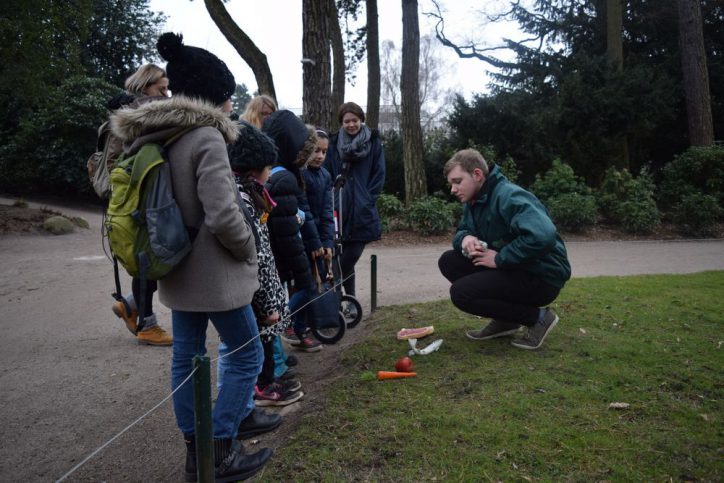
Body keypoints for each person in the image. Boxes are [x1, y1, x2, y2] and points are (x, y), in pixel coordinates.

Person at [112, 32, 272, 481]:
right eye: (225, 95)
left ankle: (194, 451)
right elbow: (224, 215)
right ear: (213, 97)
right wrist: (247, 248)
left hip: (174, 266)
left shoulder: (154, 134)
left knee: (186, 356)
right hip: (217, 275)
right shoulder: (206, 138)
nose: (229, 105)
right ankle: (220, 450)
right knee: (246, 356)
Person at [438, 149, 571, 350]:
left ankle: (539, 318)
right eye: (451, 184)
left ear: (477, 174)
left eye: (457, 181)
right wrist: (465, 238)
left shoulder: (509, 196)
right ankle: (506, 320)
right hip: (516, 268)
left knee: (461, 294)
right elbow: (463, 229)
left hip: (542, 277)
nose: (453, 190)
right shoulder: (475, 199)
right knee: (449, 261)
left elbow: (543, 235)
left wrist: (500, 258)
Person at [223, 121, 304, 407]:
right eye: (268, 167)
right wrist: (269, 303)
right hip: (258, 295)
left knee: (264, 344)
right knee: (255, 349)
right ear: (255, 167)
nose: (271, 172)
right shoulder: (244, 199)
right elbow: (258, 256)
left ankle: (267, 381)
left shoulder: (254, 195)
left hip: (264, 293)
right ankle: (261, 389)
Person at [106, 64, 172, 346]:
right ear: (146, 85)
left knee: (151, 257)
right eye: (162, 86)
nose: (166, 91)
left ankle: (131, 305)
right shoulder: (139, 115)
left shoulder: (131, 113)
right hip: (138, 197)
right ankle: (146, 324)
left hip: (134, 196)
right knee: (147, 258)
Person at [263, 110, 324, 352]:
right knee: (302, 291)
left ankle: (283, 350)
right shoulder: (285, 179)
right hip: (284, 256)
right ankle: (279, 355)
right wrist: (302, 271)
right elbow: (286, 232)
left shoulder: (281, 175)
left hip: (282, 254)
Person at [323, 101, 386, 296]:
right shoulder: (333, 143)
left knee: (348, 258)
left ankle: (332, 297)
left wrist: (367, 199)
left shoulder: (373, 142)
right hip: (338, 207)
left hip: (362, 209)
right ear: (341, 122)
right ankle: (348, 299)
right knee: (339, 255)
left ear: (361, 120)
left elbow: (379, 174)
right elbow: (327, 172)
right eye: (346, 121)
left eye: (355, 120)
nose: (351, 125)